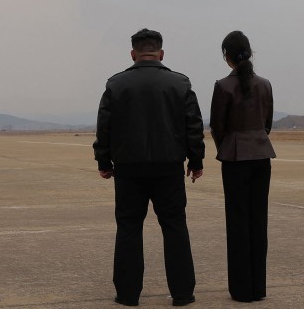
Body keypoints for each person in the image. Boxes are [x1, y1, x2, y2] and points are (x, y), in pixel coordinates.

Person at [93, 28, 205, 307]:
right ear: (161, 53)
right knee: (175, 227)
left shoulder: (116, 85)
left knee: (129, 227)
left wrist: (104, 161)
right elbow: (193, 125)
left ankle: (128, 294)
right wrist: (196, 160)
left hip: (129, 169)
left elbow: (104, 127)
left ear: (133, 54)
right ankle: (182, 293)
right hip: (168, 167)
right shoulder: (180, 83)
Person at [209, 30, 276, 303]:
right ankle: (258, 288)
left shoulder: (223, 86)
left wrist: (228, 146)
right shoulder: (265, 84)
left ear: (227, 57)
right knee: (258, 221)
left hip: (235, 158)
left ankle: (241, 289)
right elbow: (267, 123)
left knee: (238, 223)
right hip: (261, 156)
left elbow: (217, 126)